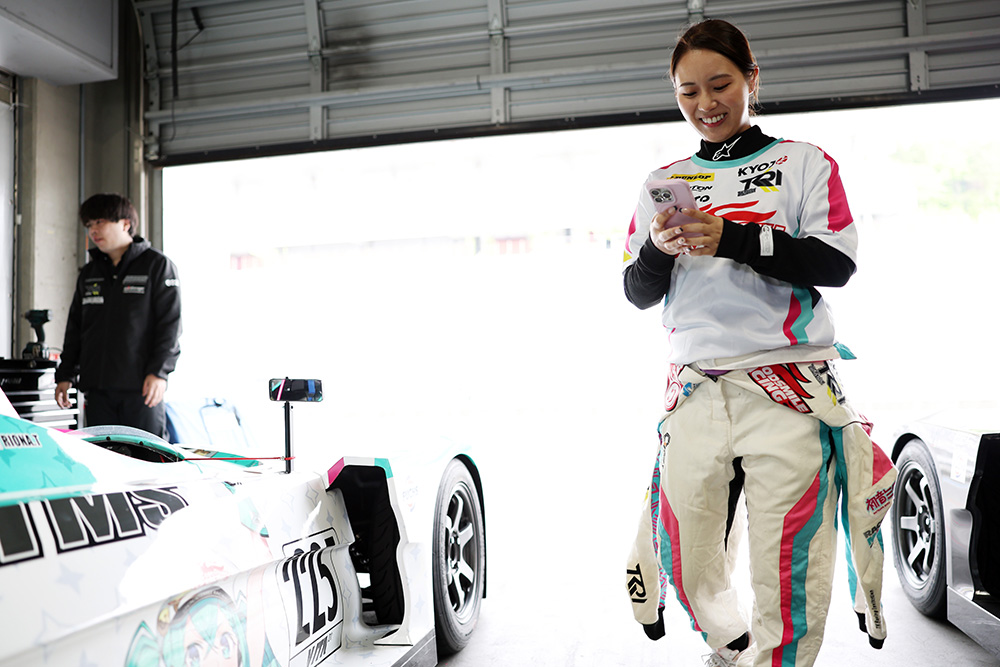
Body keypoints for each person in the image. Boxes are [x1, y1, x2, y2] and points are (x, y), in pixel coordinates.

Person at [621, 19, 897, 667]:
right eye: (688, 92)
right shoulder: (663, 180)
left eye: (720, 84)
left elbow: (836, 264)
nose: (706, 103)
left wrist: (734, 238)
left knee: (789, 561)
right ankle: (731, 646)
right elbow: (635, 290)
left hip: (789, 387)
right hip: (695, 388)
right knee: (685, 553)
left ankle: (778, 660)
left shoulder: (804, 162)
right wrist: (659, 248)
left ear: (751, 79)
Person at [55, 193, 182, 437]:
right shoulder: (90, 272)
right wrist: (66, 374)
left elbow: (170, 325)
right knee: (102, 456)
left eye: (99, 222)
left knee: (147, 456)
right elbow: (76, 327)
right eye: (89, 225)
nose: (93, 230)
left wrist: (159, 372)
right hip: (97, 391)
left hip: (142, 390)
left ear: (125, 224)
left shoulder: (157, 265)